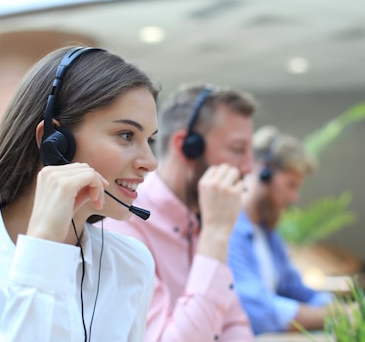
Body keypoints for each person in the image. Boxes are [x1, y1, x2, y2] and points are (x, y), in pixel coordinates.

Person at [0, 46, 160, 342]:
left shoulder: (131, 263)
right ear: (53, 141)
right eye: (126, 135)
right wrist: (44, 246)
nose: (150, 162)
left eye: (149, 140)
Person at [103, 82, 257, 342]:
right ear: (187, 147)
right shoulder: (123, 219)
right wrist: (216, 234)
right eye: (237, 149)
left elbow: (232, 325)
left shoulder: (201, 218)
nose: (249, 166)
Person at [228, 125, 335, 335]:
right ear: (264, 171)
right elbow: (257, 311)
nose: (294, 198)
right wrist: (335, 315)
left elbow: (296, 288)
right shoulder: (229, 228)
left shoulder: (269, 233)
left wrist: (332, 305)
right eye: (291, 185)